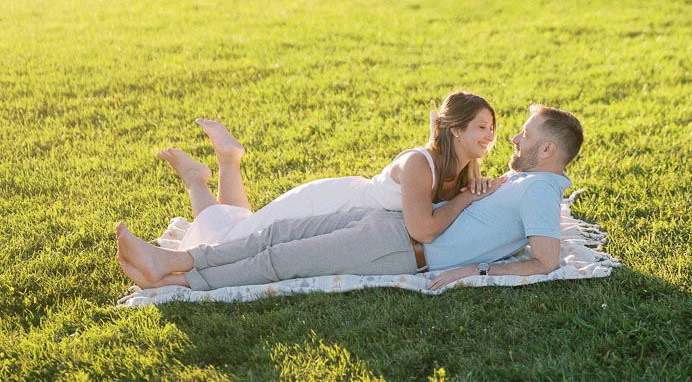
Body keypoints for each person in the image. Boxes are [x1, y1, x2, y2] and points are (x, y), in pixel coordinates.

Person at [116, 104, 583, 293]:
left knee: (284, 259)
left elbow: (545, 261)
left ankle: (180, 282)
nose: (514, 141)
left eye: (525, 136)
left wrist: (474, 270)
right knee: (276, 233)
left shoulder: (541, 189)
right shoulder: (522, 182)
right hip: (386, 221)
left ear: (548, 150)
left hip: (401, 248)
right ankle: (177, 260)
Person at [151, 90, 498, 254]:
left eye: (492, 128)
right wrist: (467, 198)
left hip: (344, 218)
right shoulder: (419, 164)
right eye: (481, 127)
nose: (489, 135)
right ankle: (196, 179)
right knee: (225, 243)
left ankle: (229, 159)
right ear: (456, 130)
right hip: (327, 205)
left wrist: (475, 192)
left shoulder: (464, 169)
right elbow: (423, 229)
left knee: (241, 230)